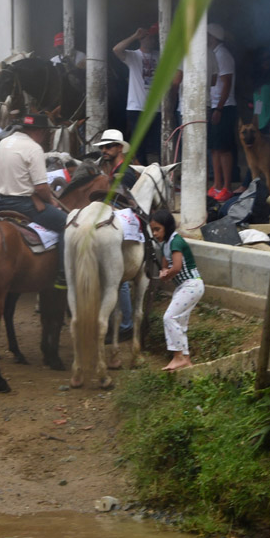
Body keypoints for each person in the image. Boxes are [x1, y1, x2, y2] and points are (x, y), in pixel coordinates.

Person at [0, 113, 68, 237]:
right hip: (21, 205)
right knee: (66, 224)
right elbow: (41, 187)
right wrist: (51, 201)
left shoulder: (3, 142)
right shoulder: (34, 148)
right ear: (41, 131)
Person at [94, 128, 139, 341]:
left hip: (124, 227)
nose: (104, 150)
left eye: (108, 146)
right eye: (103, 147)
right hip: (114, 224)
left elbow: (126, 203)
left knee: (118, 279)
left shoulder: (125, 173)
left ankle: (125, 324)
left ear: (119, 148)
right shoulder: (112, 171)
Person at [150, 208, 203, 372]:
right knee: (179, 322)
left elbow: (177, 267)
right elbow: (165, 266)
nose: (155, 233)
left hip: (191, 285)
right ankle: (185, 359)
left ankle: (178, 356)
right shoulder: (166, 244)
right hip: (185, 287)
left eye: (157, 229)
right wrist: (164, 272)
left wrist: (167, 274)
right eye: (152, 230)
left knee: (169, 317)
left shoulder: (176, 242)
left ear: (167, 227)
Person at [112, 24, 160, 164]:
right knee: (139, 145)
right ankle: (141, 173)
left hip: (157, 109)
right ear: (142, 39)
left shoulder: (160, 55)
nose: (153, 40)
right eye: (150, 37)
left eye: (154, 38)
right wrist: (134, 36)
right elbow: (116, 49)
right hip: (137, 107)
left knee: (156, 145)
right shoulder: (133, 56)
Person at [207, 23, 238, 202]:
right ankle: (217, 185)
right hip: (215, 106)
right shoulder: (213, 54)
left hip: (224, 107)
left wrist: (219, 107)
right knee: (215, 147)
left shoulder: (223, 54)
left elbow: (226, 82)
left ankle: (227, 186)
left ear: (213, 37)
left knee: (224, 148)